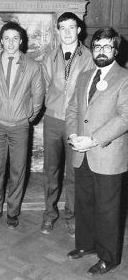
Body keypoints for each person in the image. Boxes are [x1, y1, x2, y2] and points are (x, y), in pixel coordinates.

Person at [66, 28, 128, 277]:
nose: (101, 51)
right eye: (97, 47)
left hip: (107, 155)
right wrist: (72, 135)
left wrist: (92, 140)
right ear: (92, 50)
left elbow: (125, 118)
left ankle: (109, 257)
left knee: (108, 209)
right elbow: (72, 110)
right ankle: (86, 244)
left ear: (115, 50)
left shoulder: (124, 78)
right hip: (81, 153)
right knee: (85, 203)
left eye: (107, 47)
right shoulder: (84, 75)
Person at [0, 21, 44, 229]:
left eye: (15, 38)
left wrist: (28, 117)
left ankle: (12, 211)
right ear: (1, 41)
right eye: (7, 38)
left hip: (20, 126)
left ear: (21, 41)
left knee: (18, 170)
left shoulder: (33, 66)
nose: (11, 42)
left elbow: (38, 98)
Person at [41, 12, 94, 237]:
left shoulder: (90, 56)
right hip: (52, 120)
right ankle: (49, 215)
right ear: (57, 30)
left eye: (71, 27)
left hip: (76, 122)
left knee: (73, 173)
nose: (67, 32)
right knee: (51, 170)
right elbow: (43, 87)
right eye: (62, 28)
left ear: (79, 29)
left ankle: (72, 216)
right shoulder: (49, 57)